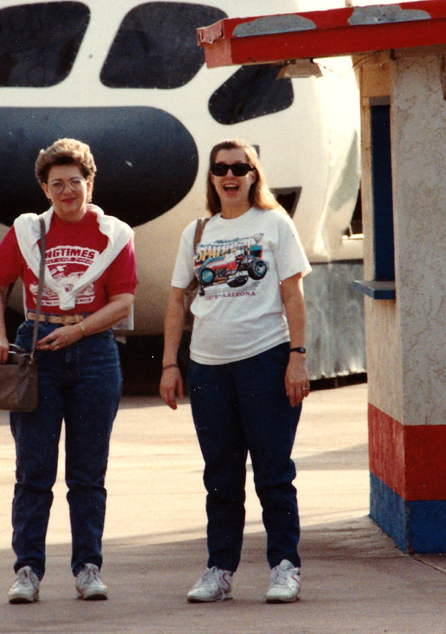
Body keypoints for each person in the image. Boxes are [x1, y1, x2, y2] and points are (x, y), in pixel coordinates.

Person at [0, 138, 137, 604]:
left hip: (94, 350)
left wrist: (79, 330)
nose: (67, 191)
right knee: (34, 470)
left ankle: (88, 568)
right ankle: (27, 570)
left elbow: (123, 300)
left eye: (75, 181)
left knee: (87, 472)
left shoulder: (115, 235)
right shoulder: (28, 231)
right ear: (45, 189)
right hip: (38, 348)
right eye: (57, 184)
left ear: (90, 183)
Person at [159, 139, 311, 604]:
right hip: (208, 369)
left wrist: (297, 356)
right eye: (221, 168)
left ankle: (284, 567)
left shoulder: (274, 223)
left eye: (240, 168)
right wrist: (170, 363)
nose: (230, 175)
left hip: (265, 361)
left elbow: (292, 293)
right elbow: (177, 301)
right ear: (211, 177)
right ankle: (219, 570)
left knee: (273, 473)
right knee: (221, 476)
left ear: (253, 175)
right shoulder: (197, 232)